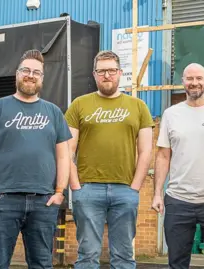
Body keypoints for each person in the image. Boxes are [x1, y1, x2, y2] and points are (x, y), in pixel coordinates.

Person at [0, 49, 72, 269]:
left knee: (41, 264)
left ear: (42, 78)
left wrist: (59, 193)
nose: (31, 75)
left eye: (36, 72)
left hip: (43, 202)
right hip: (3, 200)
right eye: (25, 70)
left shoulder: (54, 112)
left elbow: (64, 154)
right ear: (16, 74)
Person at [65, 50, 154, 269]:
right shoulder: (79, 104)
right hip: (87, 189)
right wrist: (76, 186)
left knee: (123, 256)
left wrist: (135, 187)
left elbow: (145, 151)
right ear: (94, 74)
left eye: (112, 70)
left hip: (125, 190)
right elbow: (67, 149)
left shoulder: (138, 106)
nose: (107, 75)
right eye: (102, 71)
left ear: (120, 73)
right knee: (87, 255)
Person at [153, 63, 204, 269]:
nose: (194, 83)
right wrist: (157, 194)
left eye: (199, 78)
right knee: (177, 263)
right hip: (178, 200)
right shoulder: (171, 114)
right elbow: (163, 155)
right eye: (189, 78)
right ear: (183, 82)